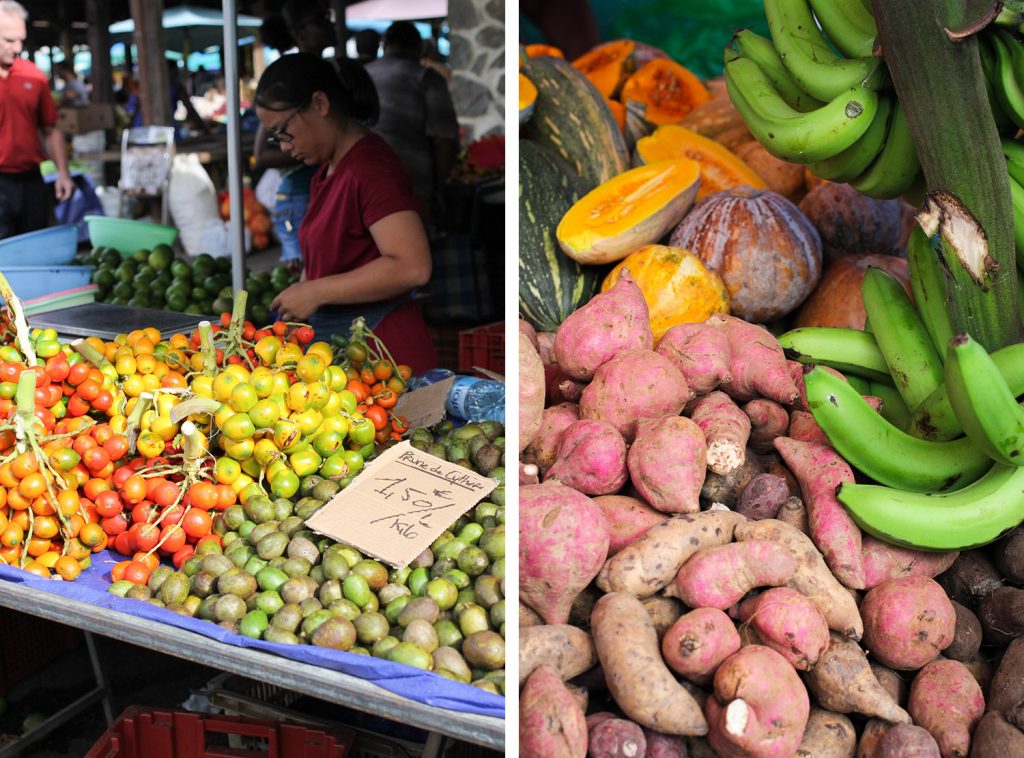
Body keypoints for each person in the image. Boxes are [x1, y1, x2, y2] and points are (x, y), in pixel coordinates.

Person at [255, 53, 437, 374]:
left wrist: (315, 291)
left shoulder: (370, 169)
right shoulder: (326, 172)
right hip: (348, 353)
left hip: (384, 357)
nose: (282, 147)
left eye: (282, 131)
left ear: (320, 104)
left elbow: (413, 267)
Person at [254, 0, 335, 273]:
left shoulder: (328, 71)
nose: (329, 24)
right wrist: (310, 152)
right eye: (320, 19)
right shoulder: (287, 80)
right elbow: (262, 153)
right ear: (300, 32)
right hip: (299, 196)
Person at [366, 21, 458, 230]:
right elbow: (445, 139)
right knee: (416, 253)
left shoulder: (364, 74)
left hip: (364, 182)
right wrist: (439, 188)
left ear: (384, 45)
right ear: (418, 48)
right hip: (411, 182)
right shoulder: (426, 77)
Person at [0, 0, 74, 240]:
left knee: (34, 250)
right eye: (9, 40)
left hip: (32, 181)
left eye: (21, 39)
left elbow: (50, 130)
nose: (18, 47)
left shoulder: (35, 76)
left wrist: (63, 172)